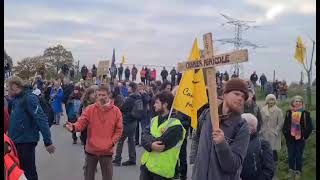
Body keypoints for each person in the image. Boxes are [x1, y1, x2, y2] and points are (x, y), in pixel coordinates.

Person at [192, 78, 250, 180]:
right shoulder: (207, 114)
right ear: (224, 94)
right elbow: (196, 137)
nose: (241, 98)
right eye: (236, 94)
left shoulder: (242, 127)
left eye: (243, 96)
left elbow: (233, 165)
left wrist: (222, 144)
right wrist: (194, 163)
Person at [65, 85, 123, 180]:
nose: (101, 97)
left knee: (107, 177)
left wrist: (111, 142)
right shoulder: (90, 109)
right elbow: (81, 122)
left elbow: (119, 130)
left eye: (104, 95)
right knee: (88, 176)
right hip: (91, 149)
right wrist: (74, 127)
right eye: (99, 95)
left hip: (107, 150)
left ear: (109, 95)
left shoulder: (116, 111)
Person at [7, 76, 55, 180]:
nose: (7, 91)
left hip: (26, 142)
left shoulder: (29, 98)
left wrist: (48, 141)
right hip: (15, 143)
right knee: (18, 174)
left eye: (8, 88)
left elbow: (41, 119)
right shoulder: (15, 100)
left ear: (14, 87)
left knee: (29, 173)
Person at [140, 91, 186, 180]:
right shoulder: (154, 119)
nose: (154, 105)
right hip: (147, 167)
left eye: (157, 103)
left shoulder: (176, 125)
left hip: (162, 172)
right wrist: (151, 144)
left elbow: (161, 144)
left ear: (165, 104)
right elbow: (143, 136)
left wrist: (148, 140)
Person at [282, 96, 313, 179]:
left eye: (300, 101)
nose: (298, 102)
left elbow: (310, 127)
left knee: (299, 155)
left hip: (300, 138)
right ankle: (291, 170)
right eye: (296, 101)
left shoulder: (305, 113)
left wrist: (303, 135)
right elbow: (285, 126)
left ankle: (298, 172)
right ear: (293, 103)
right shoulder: (289, 113)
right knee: (291, 155)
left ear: (302, 103)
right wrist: (287, 135)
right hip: (290, 139)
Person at [113, 82, 142, 166]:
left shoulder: (130, 99)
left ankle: (117, 159)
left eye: (129, 87)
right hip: (134, 121)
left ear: (131, 88)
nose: (127, 88)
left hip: (127, 121)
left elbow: (122, 109)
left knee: (120, 140)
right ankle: (132, 159)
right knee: (131, 140)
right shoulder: (139, 97)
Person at [240, 113, 275, 180]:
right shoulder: (236, 142)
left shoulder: (263, 144)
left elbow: (269, 170)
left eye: (240, 124)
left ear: (249, 127)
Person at [260, 94, 284, 179]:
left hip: (274, 135)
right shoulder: (262, 110)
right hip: (264, 133)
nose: (271, 102)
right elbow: (260, 122)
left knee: (273, 151)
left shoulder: (278, 110)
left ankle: (274, 168)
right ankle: (266, 167)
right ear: (267, 101)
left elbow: (280, 122)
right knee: (265, 151)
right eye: (270, 100)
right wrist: (261, 131)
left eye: (273, 100)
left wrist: (276, 131)